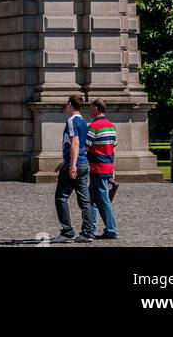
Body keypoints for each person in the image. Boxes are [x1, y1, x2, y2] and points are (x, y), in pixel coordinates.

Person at [50, 92, 94, 243]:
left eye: (66, 104)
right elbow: (81, 145)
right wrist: (65, 161)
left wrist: (71, 164)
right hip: (84, 163)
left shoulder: (71, 121)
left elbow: (75, 143)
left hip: (75, 164)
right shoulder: (83, 121)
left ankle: (67, 232)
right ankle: (87, 233)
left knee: (60, 198)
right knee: (85, 201)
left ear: (70, 104)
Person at [86, 97, 119, 240]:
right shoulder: (111, 126)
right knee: (92, 199)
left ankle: (111, 230)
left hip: (97, 167)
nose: (89, 110)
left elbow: (85, 148)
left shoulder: (94, 127)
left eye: (91, 107)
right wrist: (113, 169)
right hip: (107, 166)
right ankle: (90, 229)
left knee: (103, 200)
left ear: (97, 109)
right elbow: (112, 150)